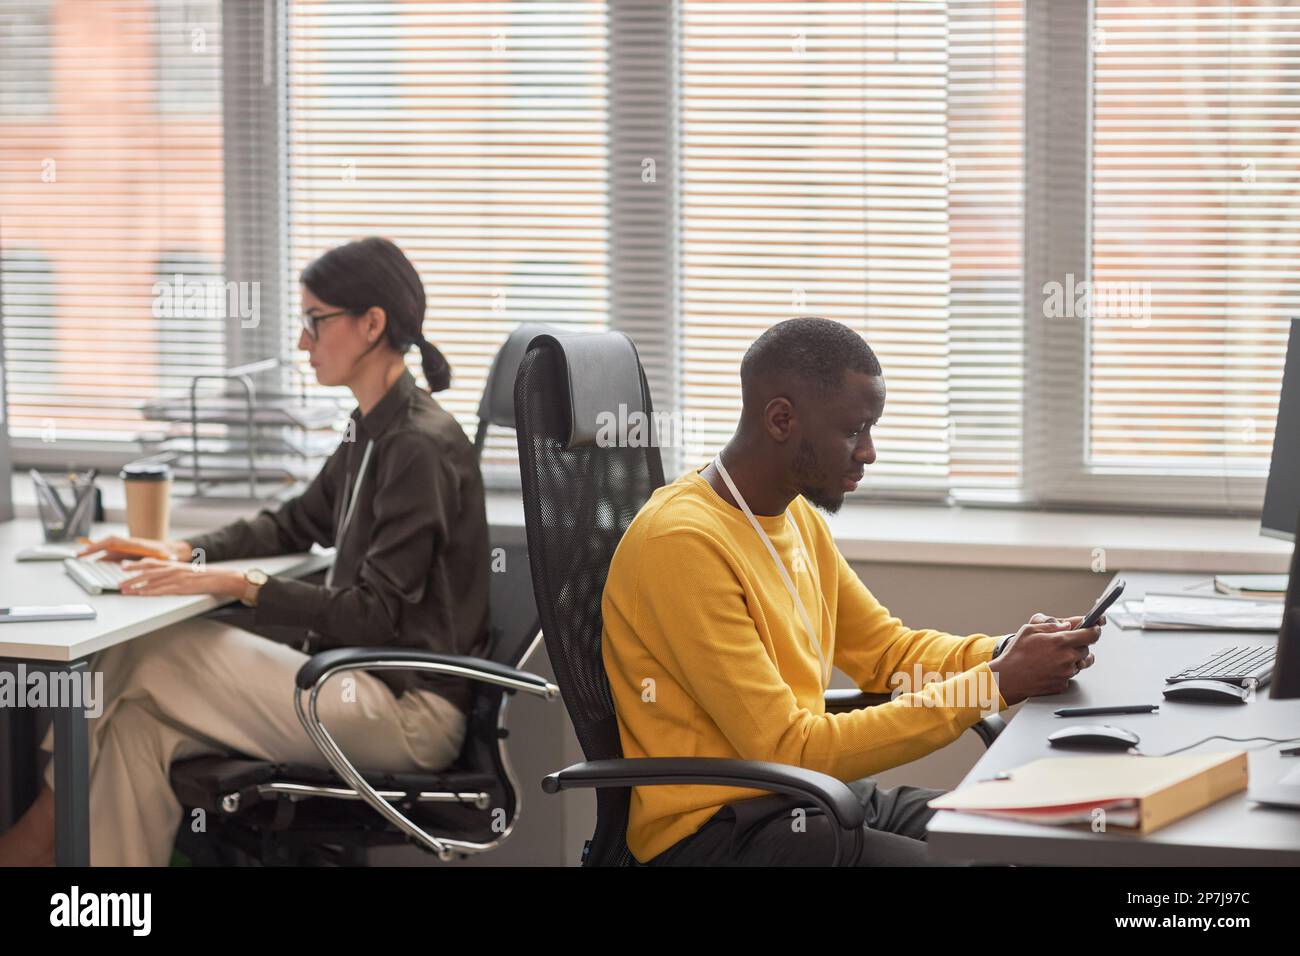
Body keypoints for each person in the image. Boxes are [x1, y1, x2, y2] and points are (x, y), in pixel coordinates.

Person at [0, 237, 491, 866]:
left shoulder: (417, 445)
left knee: (142, 655)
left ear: (372, 324)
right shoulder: (372, 426)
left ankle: (40, 833)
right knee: (136, 731)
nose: (302, 342)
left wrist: (236, 586)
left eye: (316, 321)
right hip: (352, 683)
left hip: (403, 713)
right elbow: (297, 522)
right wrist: (183, 548)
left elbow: (376, 614)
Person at [601, 317, 1102, 866]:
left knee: (1025, 840)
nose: (869, 452)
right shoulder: (682, 544)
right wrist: (993, 686)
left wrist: (1006, 652)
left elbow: (888, 654)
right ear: (781, 419)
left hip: (808, 798)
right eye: (854, 430)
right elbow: (790, 748)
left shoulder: (795, 518)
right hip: (722, 831)